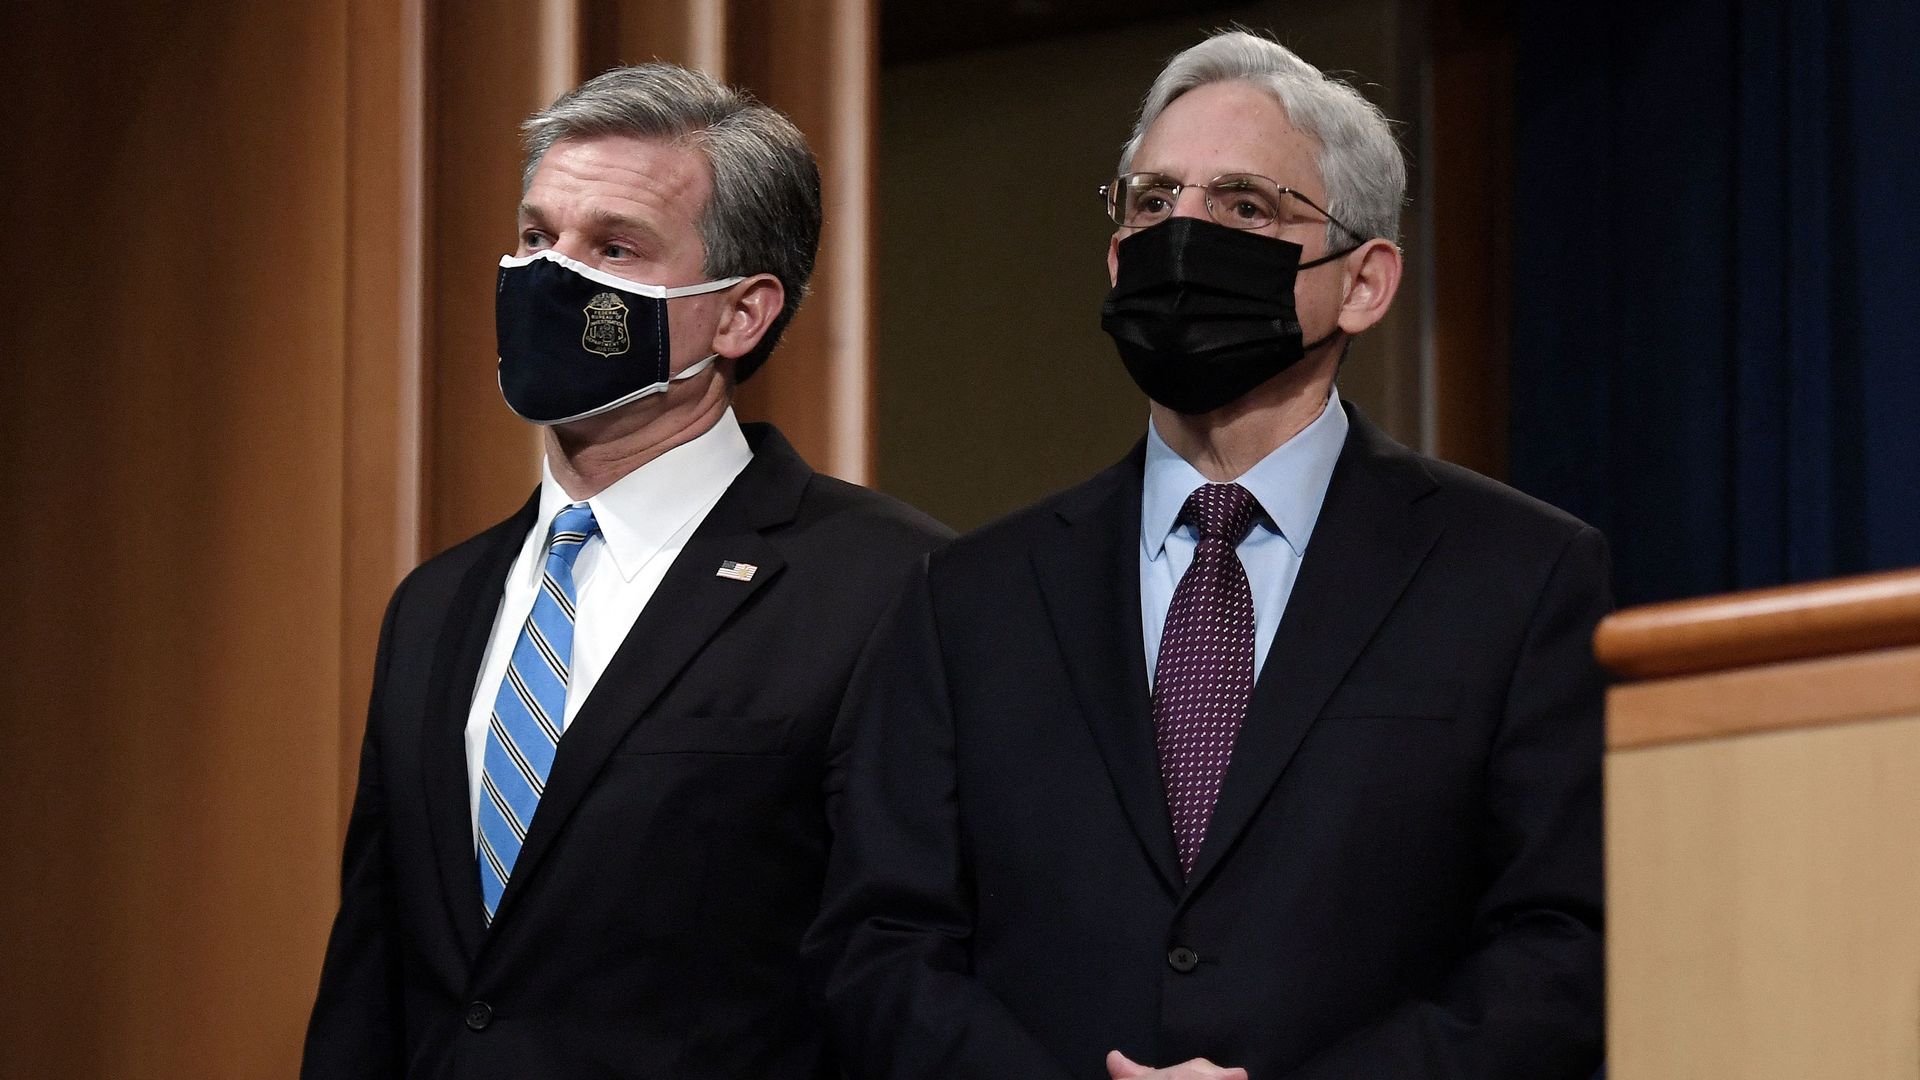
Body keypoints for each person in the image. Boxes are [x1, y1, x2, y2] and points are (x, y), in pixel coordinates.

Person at [809, 30, 1608, 1080]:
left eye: (1243, 207)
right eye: (1151, 203)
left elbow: (1566, 947)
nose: (1180, 236)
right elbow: (880, 948)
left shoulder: (1521, 575)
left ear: (1365, 283)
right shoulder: (970, 597)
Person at [302, 63, 950, 1080]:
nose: (550, 276)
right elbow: (374, 976)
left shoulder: (891, 585)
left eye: (613, 246)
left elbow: (910, 975)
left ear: (740, 314)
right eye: (535, 236)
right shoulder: (435, 605)